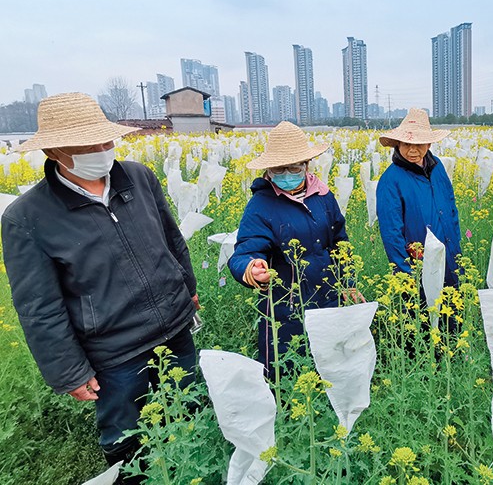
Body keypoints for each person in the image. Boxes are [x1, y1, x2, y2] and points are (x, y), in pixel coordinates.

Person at [1, 93, 200, 480]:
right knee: (128, 433)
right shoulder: (26, 218)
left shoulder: (138, 177)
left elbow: (171, 238)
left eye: (106, 141)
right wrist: (68, 371)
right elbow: (39, 305)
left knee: (189, 406)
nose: (103, 151)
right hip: (114, 349)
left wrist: (187, 288)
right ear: (56, 150)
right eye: (89, 145)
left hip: (175, 325)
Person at [228, 121, 362, 382]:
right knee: (287, 372)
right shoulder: (261, 206)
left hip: (328, 299)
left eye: (294, 167)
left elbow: (339, 243)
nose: (286, 174)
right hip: (286, 307)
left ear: (306, 165)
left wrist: (347, 282)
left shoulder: (323, 196)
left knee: (330, 367)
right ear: (269, 170)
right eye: (279, 168)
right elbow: (246, 249)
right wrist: (250, 268)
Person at [376, 108, 462, 310]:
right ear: (398, 144)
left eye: (419, 144)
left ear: (429, 143)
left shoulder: (437, 166)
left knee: (451, 318)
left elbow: (451, 208)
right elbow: (391, 233)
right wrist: (406, 275)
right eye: (407, 144)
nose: (412, 150)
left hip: (448, 257)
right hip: (417, 265)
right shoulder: (390, 180)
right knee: (423, 321)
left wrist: (456, 250)